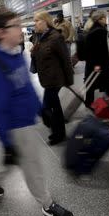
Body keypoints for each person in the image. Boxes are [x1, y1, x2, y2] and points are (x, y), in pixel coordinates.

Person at [0, 8, 74, 216]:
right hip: (14, 127)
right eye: (16, 25)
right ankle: (48, 204)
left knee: (17, 163)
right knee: (33, 166)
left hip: (27, 120)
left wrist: (42, 110)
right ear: (1, 32)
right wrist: (6, 143)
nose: (22, 29)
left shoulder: (16, 55)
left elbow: (26, 88)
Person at [31, 11, 74, 145]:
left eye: (37, 20)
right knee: (55, 107)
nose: (35, 23)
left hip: (55, 79)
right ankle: (59, 133)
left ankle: (57, 132)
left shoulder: (56, 37)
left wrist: (69, 80)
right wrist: (34, 51)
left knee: (45, 109)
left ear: (45, 21)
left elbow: (66, 60)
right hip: (47, 78)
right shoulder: (40, 37)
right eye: (34, 21)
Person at [82, 11, 109, 108]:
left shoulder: (92, 28)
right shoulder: (100, 30)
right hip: (99, 62)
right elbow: (99, 49)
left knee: (92, 82)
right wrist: (97, 64)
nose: (105, 19)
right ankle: (105, 100)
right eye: (104, 18)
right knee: (102, 81)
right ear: (100, 19)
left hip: (92, 62)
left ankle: (90, 101)